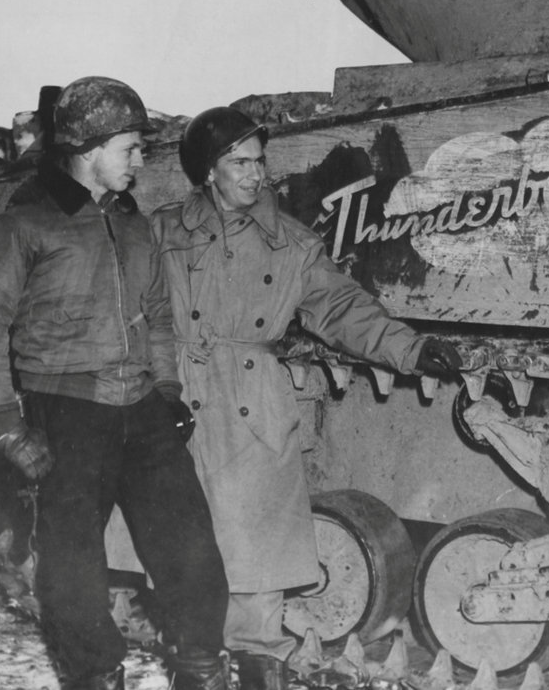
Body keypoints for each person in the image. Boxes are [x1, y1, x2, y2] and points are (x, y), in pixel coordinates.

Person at [145, 106, 461, 690]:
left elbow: (341, 309)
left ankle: (261, 666)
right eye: (237, 162)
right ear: (207, 172)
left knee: (256, 555)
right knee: (183, 549)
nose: (254, 174)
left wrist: (410, 350)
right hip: (175, 394)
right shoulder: (162, 231)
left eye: (259, 161)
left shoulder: (291, 242)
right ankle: (195, 666)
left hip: (252, 403)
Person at [0, 77, 230, 690]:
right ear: (88, 149)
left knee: (191, 550)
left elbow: (160, 318)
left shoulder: (132, 224)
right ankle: (97, 676)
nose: (142, 161)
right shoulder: (25, 225)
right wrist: (8, 429)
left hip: (141, 407)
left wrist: (169, 393)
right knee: (71, 571)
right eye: (131, 148)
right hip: (64, 410)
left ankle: (201, 668)